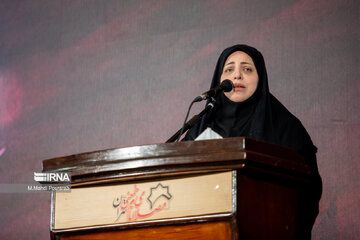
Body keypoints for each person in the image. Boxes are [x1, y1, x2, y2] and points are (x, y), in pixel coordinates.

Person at [183, 44, 322, 238]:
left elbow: (308, 191)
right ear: (219, 79)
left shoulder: (285, 127)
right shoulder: (201, 126)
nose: (237, 76)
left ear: (261, 79)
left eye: (247, 69)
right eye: (229, 69)